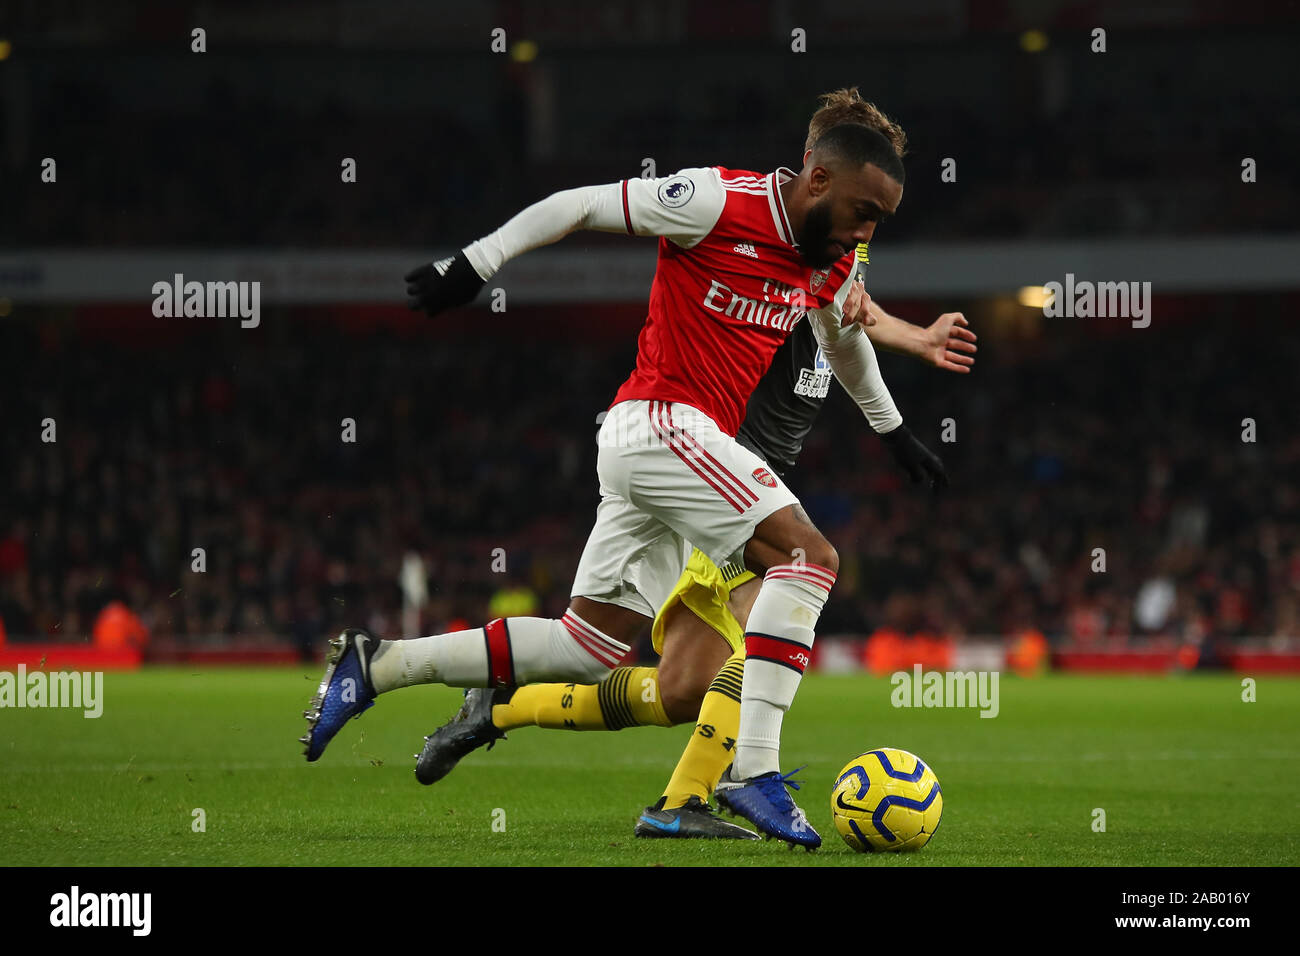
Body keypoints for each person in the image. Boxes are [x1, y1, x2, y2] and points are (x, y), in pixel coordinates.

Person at [303, 97, 933, 847]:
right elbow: (580, 205)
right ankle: (748, 771)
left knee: (587, 647)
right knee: (809, 558)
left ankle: (377, 665)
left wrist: (893, 433)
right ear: (819, 179)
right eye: (864, 212)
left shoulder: (823, 262)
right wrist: (478, 261)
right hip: (661, 422)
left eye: (879, 222)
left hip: (665, 455)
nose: (866, 234)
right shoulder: (716, 200)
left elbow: (843, 339)